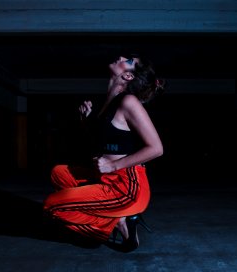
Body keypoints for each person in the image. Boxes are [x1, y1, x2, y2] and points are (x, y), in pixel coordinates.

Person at [43, 54, 165, 252]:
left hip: (126, 186)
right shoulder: (106, 102)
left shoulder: (129, 102)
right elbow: (104, 144)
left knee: (52, 208)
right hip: (104, 177)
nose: (121, 57)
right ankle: (119, 218)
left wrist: (113, 165)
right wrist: (86, 122)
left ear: (127, 77)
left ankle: (109, 226)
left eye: (129, 61)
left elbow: (156, 148)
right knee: (59, 173)